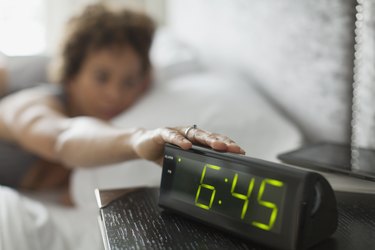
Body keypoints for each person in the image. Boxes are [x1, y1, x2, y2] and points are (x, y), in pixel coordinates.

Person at [0, 3, 245, 202]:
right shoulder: (32, 105)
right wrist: (138, 140)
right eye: (101, 77)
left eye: (129, 82)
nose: (115, 94)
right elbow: (62, 138)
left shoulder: (115, 112)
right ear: (72, 76)